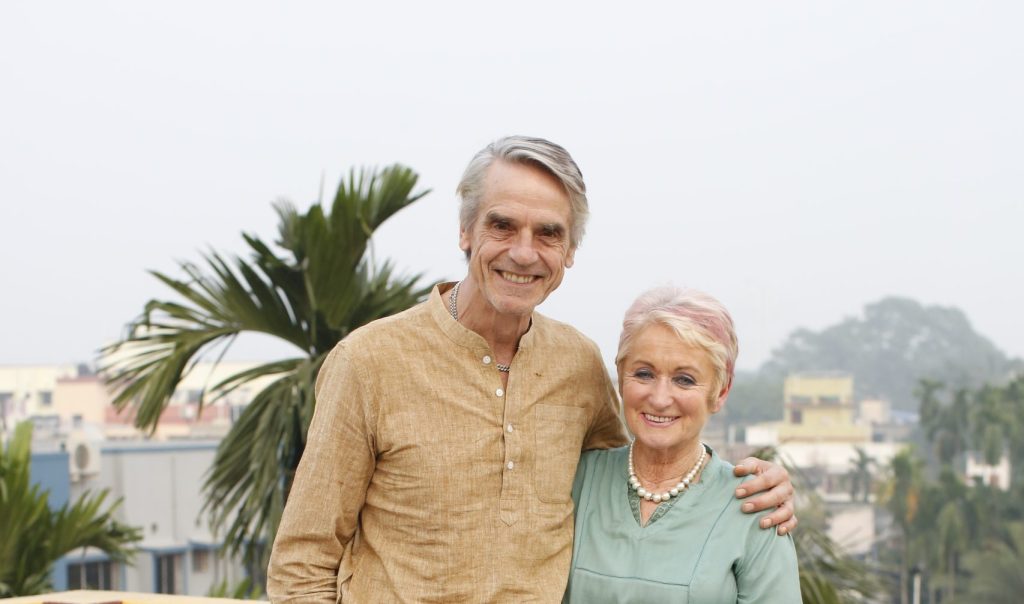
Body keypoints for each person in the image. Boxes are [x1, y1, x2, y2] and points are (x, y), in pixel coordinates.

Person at [266, 136, 797, 603]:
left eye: (548, 233)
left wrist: (750, 487)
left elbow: (641, 466)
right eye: (502, 225)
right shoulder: (370, 361)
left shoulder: (578, 364)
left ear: (568, 252)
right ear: (465, 230)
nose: (524, 253)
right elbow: (303, 562)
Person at [565, 286, 801, 603]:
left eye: (684, 379)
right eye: (644, 373)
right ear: (621, 377)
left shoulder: (754, 507)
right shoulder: (574, 480)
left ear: (720, 391)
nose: (660, 398)